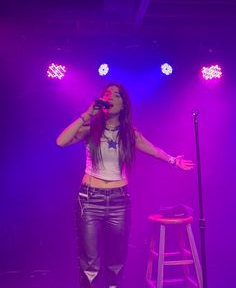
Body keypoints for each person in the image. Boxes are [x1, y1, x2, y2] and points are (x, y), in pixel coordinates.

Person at [56, 83, 194, 288]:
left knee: (116, 261)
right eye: (106, 93)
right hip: (89, 199)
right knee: (90, 262)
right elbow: (61, 141)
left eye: (116, 95)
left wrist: (174, 161)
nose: (110, 97)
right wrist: (86, 114)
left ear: (123, 105)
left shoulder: (130, 134)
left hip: (119, 201)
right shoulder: (90, 129)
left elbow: (154, 150)